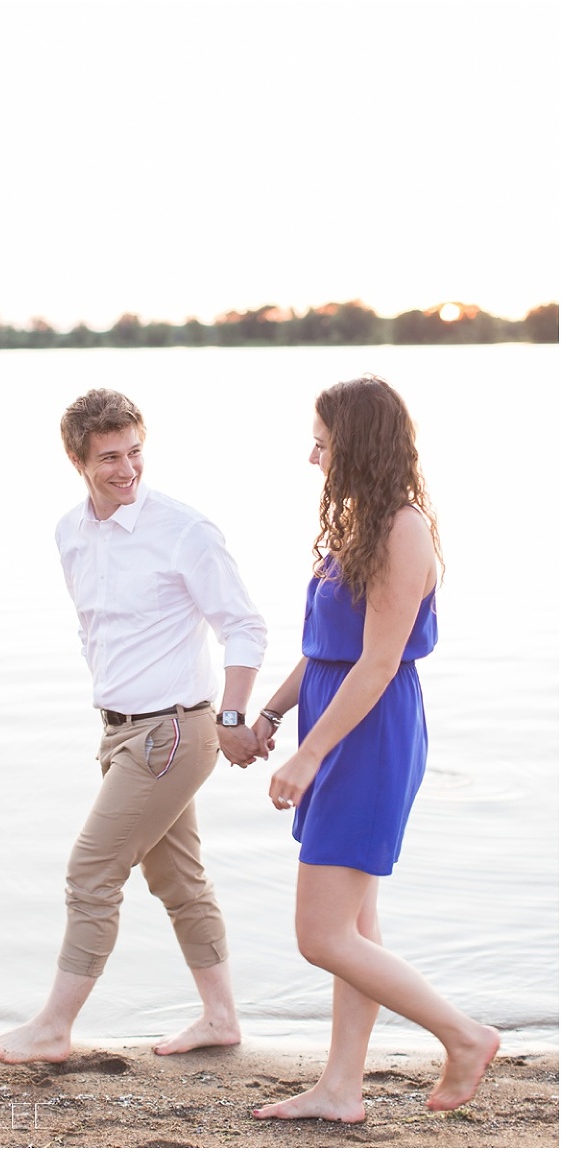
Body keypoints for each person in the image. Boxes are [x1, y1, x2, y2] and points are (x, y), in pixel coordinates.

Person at [0, 387, 266, 1064]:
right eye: (109, 456)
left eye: (135, 452)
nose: (126, 468)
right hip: (119, 730)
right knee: (178, 879)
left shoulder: (184, 531)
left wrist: (231, 717)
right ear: (78, 459)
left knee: (92, 870)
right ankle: (222, 1018)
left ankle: (52, 1028)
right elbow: (93, 630)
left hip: (173, 734)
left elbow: (244, 625)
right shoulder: (69, 533)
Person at [249, 375, 499, 1122]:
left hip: (367, 735)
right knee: (356, 927)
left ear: (355, 442)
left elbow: (379, 663)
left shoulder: (402, 529)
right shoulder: (358, 524)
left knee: (320, 935)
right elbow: (327, 649)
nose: (312, 456)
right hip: (337, 721)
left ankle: (463, 1035)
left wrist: (309, 755)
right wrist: (270, 713)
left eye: (322, 441)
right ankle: (340, 1088)